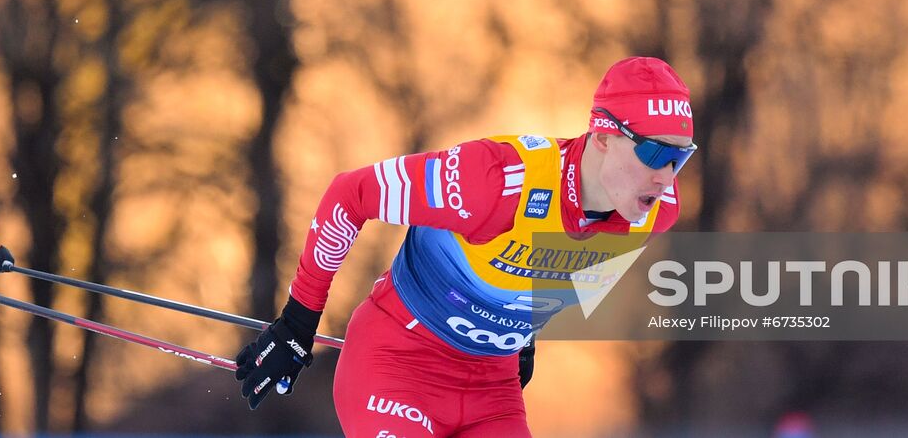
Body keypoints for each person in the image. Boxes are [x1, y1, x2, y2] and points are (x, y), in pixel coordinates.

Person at [234, 57, 696, 437]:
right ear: (602, 135)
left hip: (491, 393)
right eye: (655, 153)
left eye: (680, 157)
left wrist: (523, 337)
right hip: (399, 365)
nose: (666, 176)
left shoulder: (654, 210)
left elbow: (545, 269)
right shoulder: (496, 181)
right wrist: (298, 321)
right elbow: (350, 194)